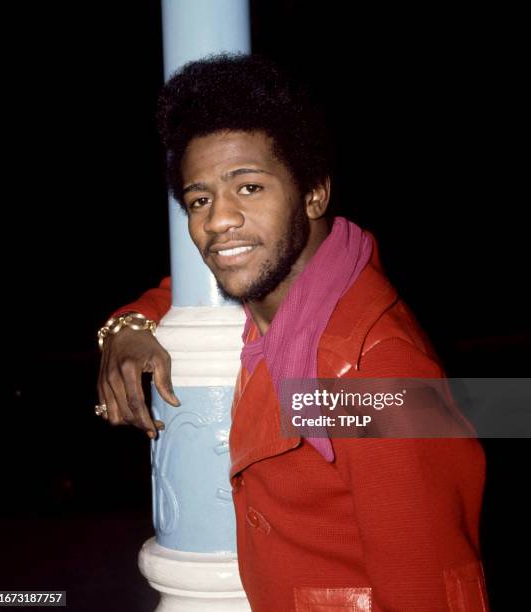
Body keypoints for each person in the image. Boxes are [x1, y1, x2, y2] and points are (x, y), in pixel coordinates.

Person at [96, 53, 489, 611]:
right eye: (199, 199)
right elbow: (190, 285)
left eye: (249, 188)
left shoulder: (371, 373)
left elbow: (434, 591)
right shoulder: (294, 294)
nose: (218, 221)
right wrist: (127, 325)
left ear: (313, 194)